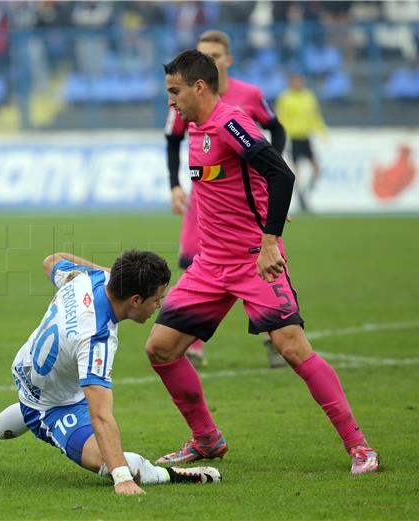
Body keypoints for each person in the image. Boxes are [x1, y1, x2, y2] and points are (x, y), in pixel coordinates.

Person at [146, 49, 378, 475]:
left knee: (292, 348)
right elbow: (243, 184)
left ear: (199, 86)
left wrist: (270, 238)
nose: (170, 101)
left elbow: (281, 174)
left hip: (254, 260)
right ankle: (206, 440)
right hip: (210, 263)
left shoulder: (231, 122)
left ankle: (359, 446)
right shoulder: (194, 129)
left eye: (175, 91)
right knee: (161, 349)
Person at [0, 250, 222, 495]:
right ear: (136, 299)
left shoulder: (90, 278)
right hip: (54, 404)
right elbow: (101, 415)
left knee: (31, 403)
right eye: (156, 299)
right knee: (116, 462)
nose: (158, 306)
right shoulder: (97, 338)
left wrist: (113, 275)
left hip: (26, 367)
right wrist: (122, 478)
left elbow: (52, 260)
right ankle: (174, 476)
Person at [164, 29, 288, 369]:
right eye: (204, 55)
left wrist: (266, 176)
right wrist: (174, 185)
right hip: (204, 192)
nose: (210, 61)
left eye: (215, 56)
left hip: (242, 199)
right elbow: (172, 140)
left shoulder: (246, 98)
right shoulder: (185, 101)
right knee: (193, 261)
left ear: (226, 60)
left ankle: (274, 335)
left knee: (255, 263)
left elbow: (277, 131)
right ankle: (195, 343)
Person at [275, 73, 327, 213]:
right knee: (296, 172)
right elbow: (281, 117)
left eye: (300, 81)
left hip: (306, 137)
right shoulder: (285, 98)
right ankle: (300, 198)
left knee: (316, 169)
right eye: (295, 81)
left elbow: (315, 115)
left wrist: (322, 131)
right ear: (290, 82)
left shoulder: (309, 97)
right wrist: (282, 135)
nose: (298, 84)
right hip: (293, 138)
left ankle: (305, 193)